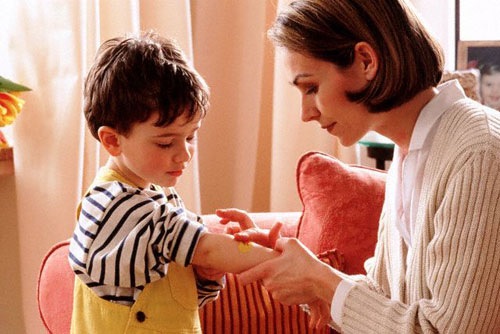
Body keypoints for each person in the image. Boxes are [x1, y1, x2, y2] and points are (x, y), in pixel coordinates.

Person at [224, 0, 500, 333]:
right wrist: (294, 270)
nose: (305, 113)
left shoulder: (479, 153)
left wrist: (321, 281)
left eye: (311, 88)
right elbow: (385, 300)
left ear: (365, 61)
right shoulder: (411, 151)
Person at [68, 31, 281, 334]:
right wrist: (276, 260)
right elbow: (205, 248)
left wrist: (205, 275)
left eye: (191, 136)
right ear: (113, 140)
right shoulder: (113, 205)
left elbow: (174, 300)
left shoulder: (160, 198)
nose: (184, 155)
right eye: (166, 143)